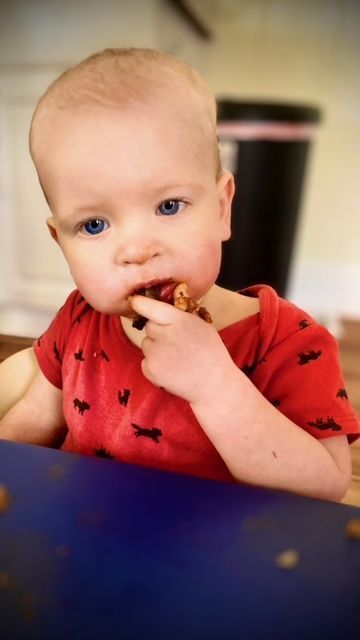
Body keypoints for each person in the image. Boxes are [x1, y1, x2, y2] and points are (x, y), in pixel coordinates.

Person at [0, 48, 359, 501]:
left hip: (220, 560)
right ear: (61, 242)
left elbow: (325, 488)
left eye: (169, 206)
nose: (136, 250)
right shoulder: (79, 320)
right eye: (94, 225)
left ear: (223, 208)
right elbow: (34, 421)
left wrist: (216, 386)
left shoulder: (288, 342)